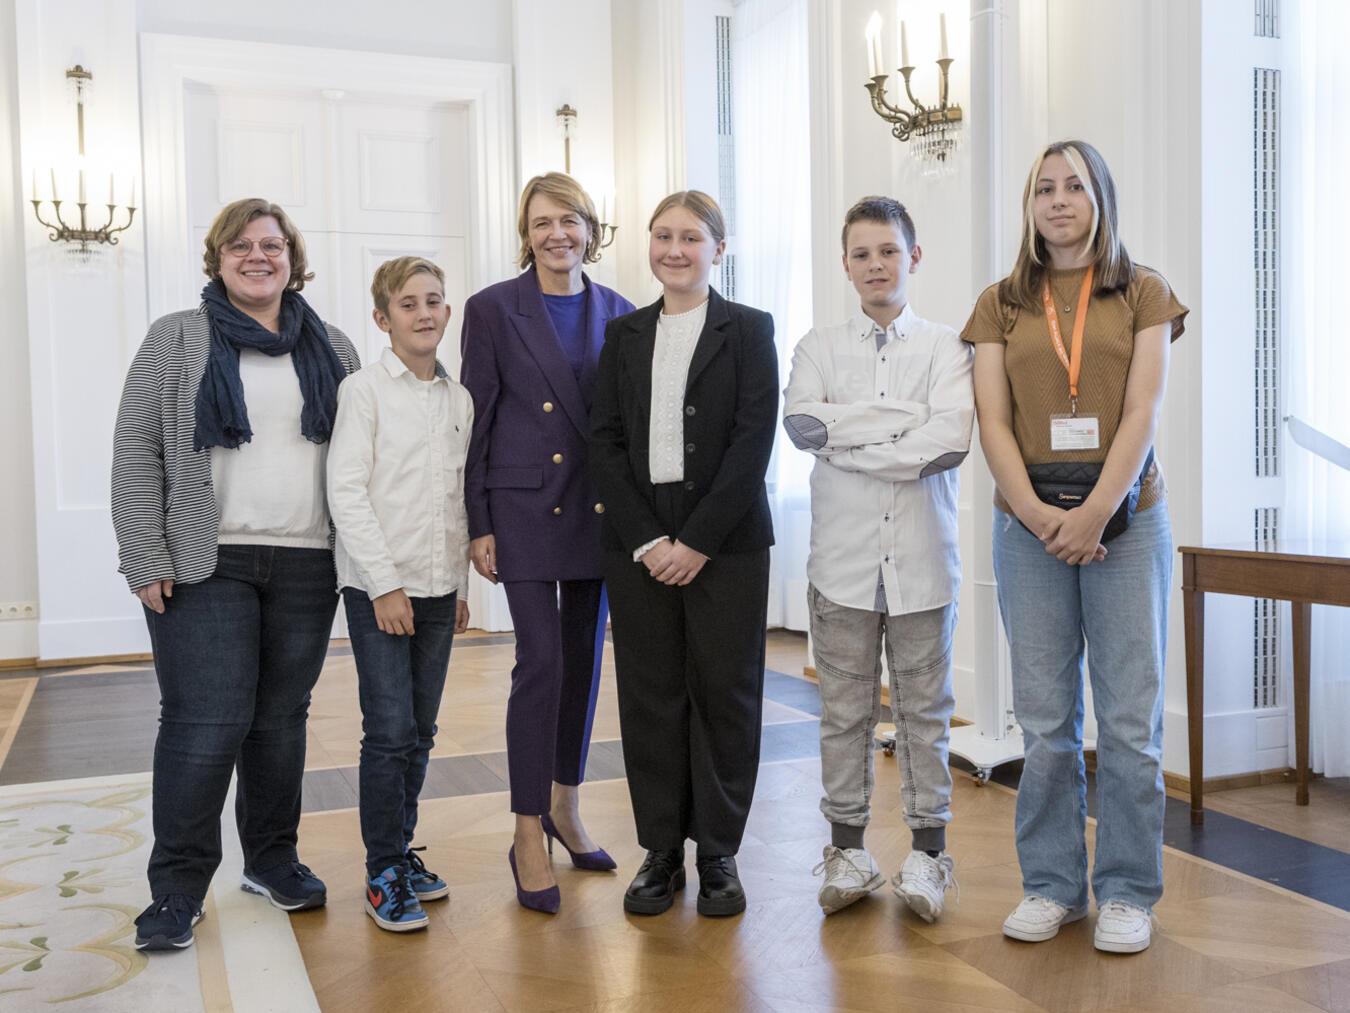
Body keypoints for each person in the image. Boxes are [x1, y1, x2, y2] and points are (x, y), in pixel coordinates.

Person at [112, 198, 360, 951]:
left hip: (307, 561)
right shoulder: (176, 339)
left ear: (294, 256)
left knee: (281, 720)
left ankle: (272, 859)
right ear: (217, 258)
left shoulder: (335, 346)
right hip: (205, 560)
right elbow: (136, 449)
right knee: (204, 721)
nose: (259, 256)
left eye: (273, 245)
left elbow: (360, 457)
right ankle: (178, 887)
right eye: (241, 246)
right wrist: (145, 556)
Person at [961, 140, 1187, 953]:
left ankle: (1127, 890)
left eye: (1074, 187)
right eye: (1043, 189)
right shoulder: (1000, 302)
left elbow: (1142, 410)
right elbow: (991, 420)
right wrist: (1034, 512)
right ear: (1030, 206)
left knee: (1129, 720)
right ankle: (1053, 885)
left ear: (1100, 197)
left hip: (1126, 523)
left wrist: (1094, 512)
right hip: (1028, 529)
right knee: (1049, 719)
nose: (1058, 201)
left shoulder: (1144, 290)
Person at [783, 196, 972, 921]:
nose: (875, 265)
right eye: (861, 253)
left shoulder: (947, 348)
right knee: (843, 713)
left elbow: (950, 442)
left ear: (913, 257)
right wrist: (905, 428)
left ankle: (927, 857)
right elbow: (803, 425)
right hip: (843, 564)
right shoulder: (817, 347)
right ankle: (849, 852)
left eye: (888, 250)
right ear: (845, 264)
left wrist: (850, 436)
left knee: (926, 713)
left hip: (924, 561)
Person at [590, 191, 778, 918]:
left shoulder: (750, 328)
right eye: (663, 236)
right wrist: (648, 538)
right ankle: (662, 849)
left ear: (717, 250)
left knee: (726, 692)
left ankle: (720, 851)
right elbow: (601, 440)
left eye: (691, 237)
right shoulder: (623, 335)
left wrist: (696, 540)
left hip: (725, 537)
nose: (675, 248)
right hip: (638, 536)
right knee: (651, 692)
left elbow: (751, 440)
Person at [460, 173, 634, 913]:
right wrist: (478, 521)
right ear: (524, 234)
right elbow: (478, 417)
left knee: (586, 665)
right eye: (541, 223)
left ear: (591, 229)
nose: (556, 234)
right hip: (523, 507)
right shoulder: (493, 308)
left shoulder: (621, 312)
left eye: (569, 220)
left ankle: (566, 803)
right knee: (541, 662)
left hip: (596, 513)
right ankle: (526, 827)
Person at [327, 256, 472, 932]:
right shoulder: (362, 391)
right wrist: (384, 584)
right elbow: (346, 491)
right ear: (383, 319)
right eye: (407, 303)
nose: (423, 312)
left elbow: (457, 498)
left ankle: (401, 847)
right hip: (380, 588)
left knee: (421, 730)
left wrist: (461, 584)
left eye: (434, 301)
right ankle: (382, 869)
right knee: (387, 731)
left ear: (447, 312)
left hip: (440, 588)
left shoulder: (459, 398)